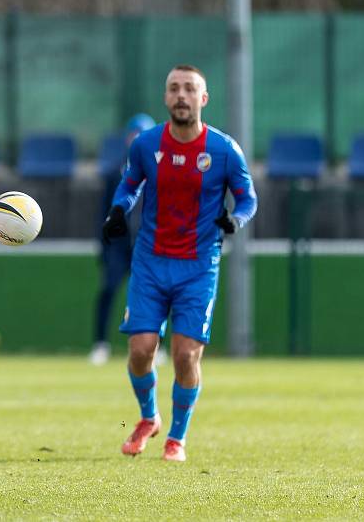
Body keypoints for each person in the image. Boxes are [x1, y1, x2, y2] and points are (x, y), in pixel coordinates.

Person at [102, 64, 257, 462]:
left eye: (190, 89)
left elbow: (248, 198)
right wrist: (119, 210)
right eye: (174, 88)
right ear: (166, 98)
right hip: (151, 262)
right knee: (140, 350)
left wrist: (235, 220)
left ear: (203, 99)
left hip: (198, 266)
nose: (182, 95)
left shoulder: (224, 150)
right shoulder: (145, 144)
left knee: (186, 355)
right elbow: (129, 183)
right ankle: (148, 416)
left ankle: (176, 437)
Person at [89, 113, 155, 366]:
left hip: (146, 245)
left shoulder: (160, 172)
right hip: (118, 245)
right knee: (108, 290)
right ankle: (100, 344)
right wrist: (104, 246)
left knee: (152, 297)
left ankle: (154, 346)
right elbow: (104, 213)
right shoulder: (115, 173)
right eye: (134, 134)